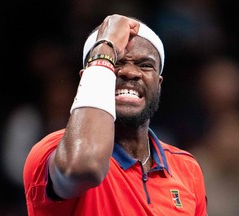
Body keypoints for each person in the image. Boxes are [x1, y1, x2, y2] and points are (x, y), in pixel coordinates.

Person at [23, 14, 207, 216]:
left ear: (159, 84)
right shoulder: (54, 151)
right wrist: (104, 48)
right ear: (89, 78)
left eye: (145, 65)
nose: (129, 72)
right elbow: (85, 167)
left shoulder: (187, 168)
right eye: (116, 62)